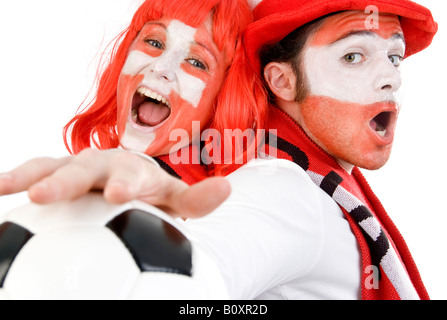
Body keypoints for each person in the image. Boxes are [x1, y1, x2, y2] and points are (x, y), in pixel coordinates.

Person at [182, 0, 437, 299]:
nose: (391, 78)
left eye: (394, 57)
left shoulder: (328, 186)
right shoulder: (279, 190)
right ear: (283, 81)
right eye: (353, 56)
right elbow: (166, 289)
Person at [0, 0, 250, 216]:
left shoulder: (200, 207)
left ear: (223, 96)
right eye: (154, 42)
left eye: (196, 62)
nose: (161, 68)